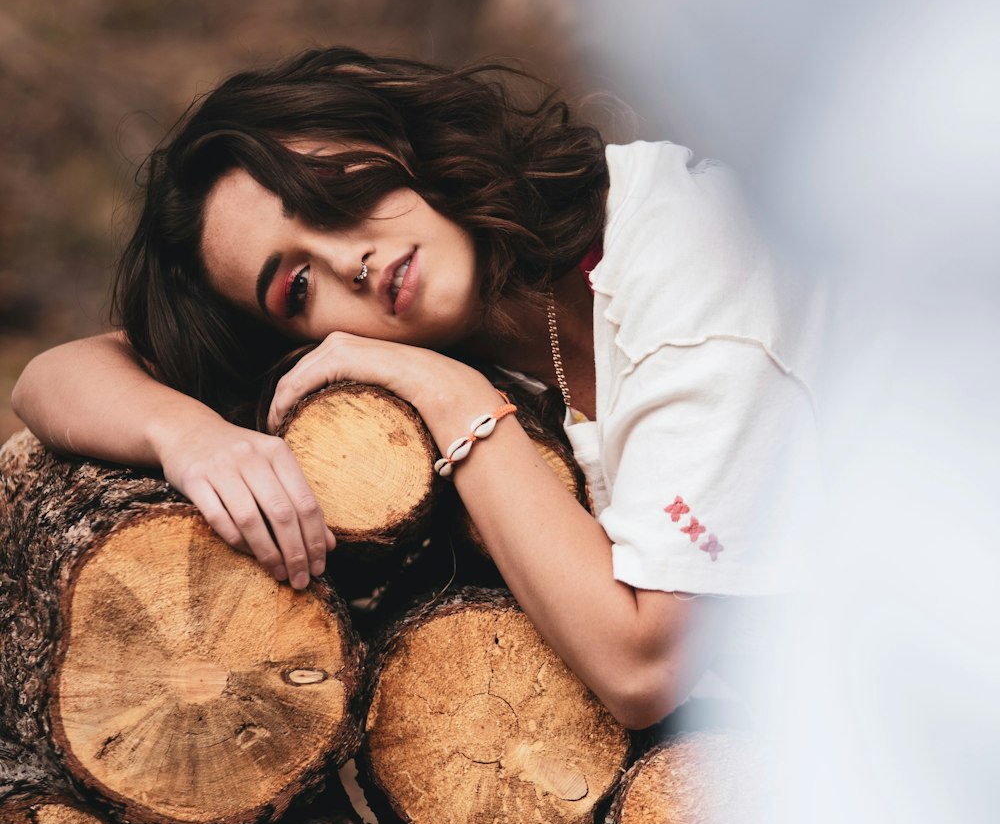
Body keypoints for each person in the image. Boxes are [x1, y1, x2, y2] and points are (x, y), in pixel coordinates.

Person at [11, 47, 822, 729]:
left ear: (399, 142)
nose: (346, 259)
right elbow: (52, 377)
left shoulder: (690, 273)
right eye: (295, 287)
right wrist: (185, 435)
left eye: (337, 189)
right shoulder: (505, 307)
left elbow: (645, 665)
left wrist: (451, 397)